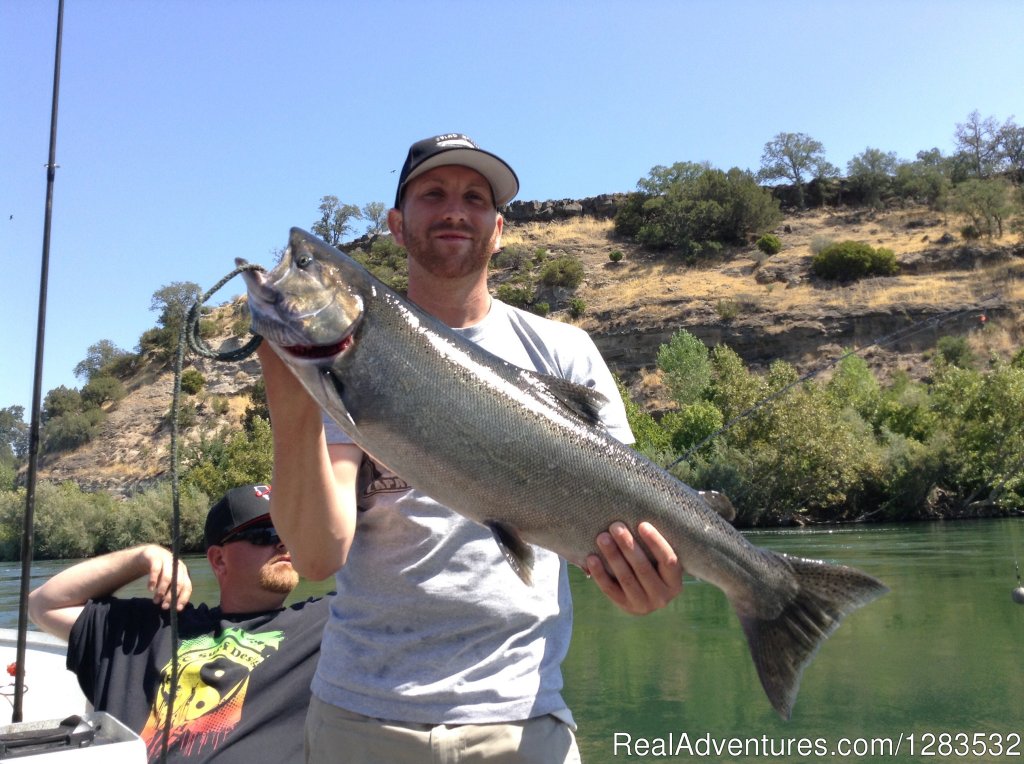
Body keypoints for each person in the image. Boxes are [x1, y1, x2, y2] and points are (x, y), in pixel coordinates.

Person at [257, 133, 685, 763]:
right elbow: (318, 556)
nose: (455, 209)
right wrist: (294, 403)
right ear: (397, 225)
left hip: (523, 720)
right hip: (363, 717)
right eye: (433, 194)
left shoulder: (565, 351)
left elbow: (621, 514)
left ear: (499, 228)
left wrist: (641, 579)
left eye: (475, 198)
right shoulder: (354, 356)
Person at [28, 485, 331, 763]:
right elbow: (44, 605)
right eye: (264, 534)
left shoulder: (325, 627)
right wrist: (144, 556)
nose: (282, 543)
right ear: (218, 560)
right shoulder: (153, 627)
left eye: (289, 531)